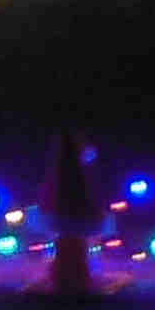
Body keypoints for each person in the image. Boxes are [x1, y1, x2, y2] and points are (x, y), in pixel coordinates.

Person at [44, 129, 105, 301]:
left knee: (70, 243)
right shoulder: (73, 151)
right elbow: (91, 171)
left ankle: (70, 281)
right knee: (73, 243)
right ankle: (74, 281)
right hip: (73, 208)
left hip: (69, 209)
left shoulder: (62, 152)